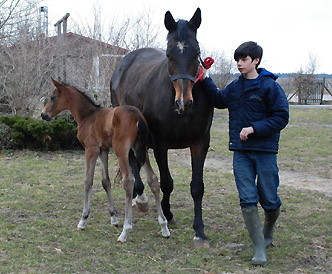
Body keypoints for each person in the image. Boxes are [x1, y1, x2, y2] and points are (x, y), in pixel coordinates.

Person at [200, 41, 289, 266]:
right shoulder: (236, 87)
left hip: (265, 151)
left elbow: (281, 117)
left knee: (269, 197)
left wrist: (254, 128)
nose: (239, 64)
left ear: (256, 61)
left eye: (244, 60)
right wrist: (206, 78)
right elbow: (220, 100)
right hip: (241, 153)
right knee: (247, 197)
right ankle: (259, 247)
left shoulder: (270, 87)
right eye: (237, 60)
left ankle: (268, 232)